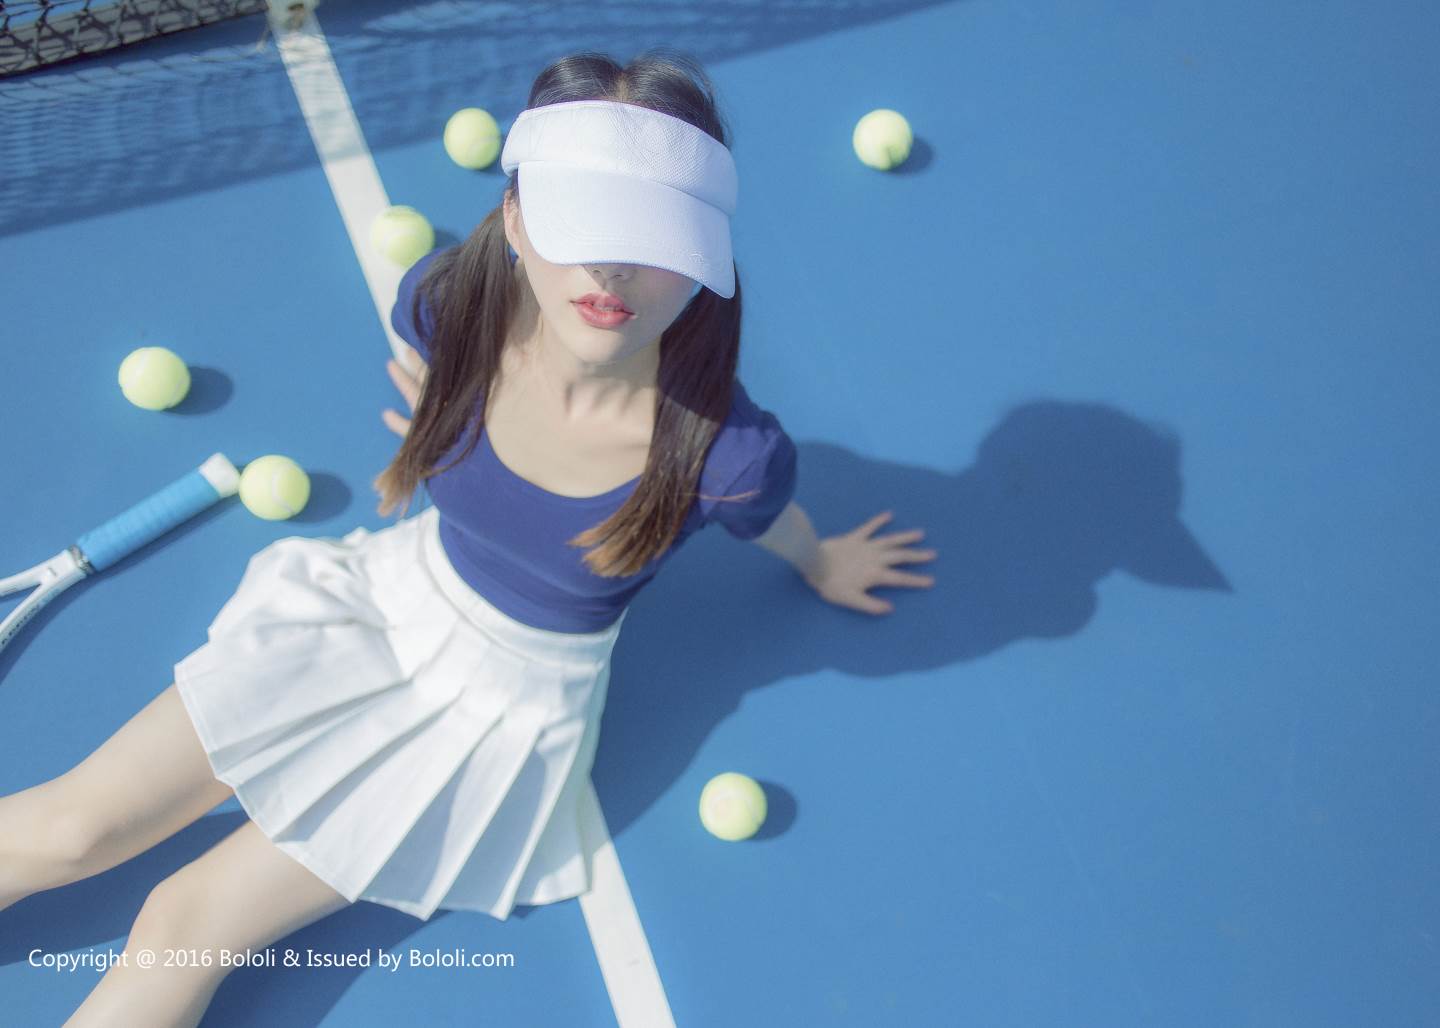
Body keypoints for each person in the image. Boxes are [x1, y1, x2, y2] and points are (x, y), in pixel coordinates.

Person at [0, 48, 937, 1027]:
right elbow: (432, 359)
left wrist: (824, 559)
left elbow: (768, 519)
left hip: (507, 712)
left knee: (182, 923)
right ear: (517, 218)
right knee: (72, 829)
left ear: (706, 262)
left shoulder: (728, 455)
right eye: (583, 223)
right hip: (383, 604)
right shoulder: (446, 306)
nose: (611, 267)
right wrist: (446, 409)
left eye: (650, 235)